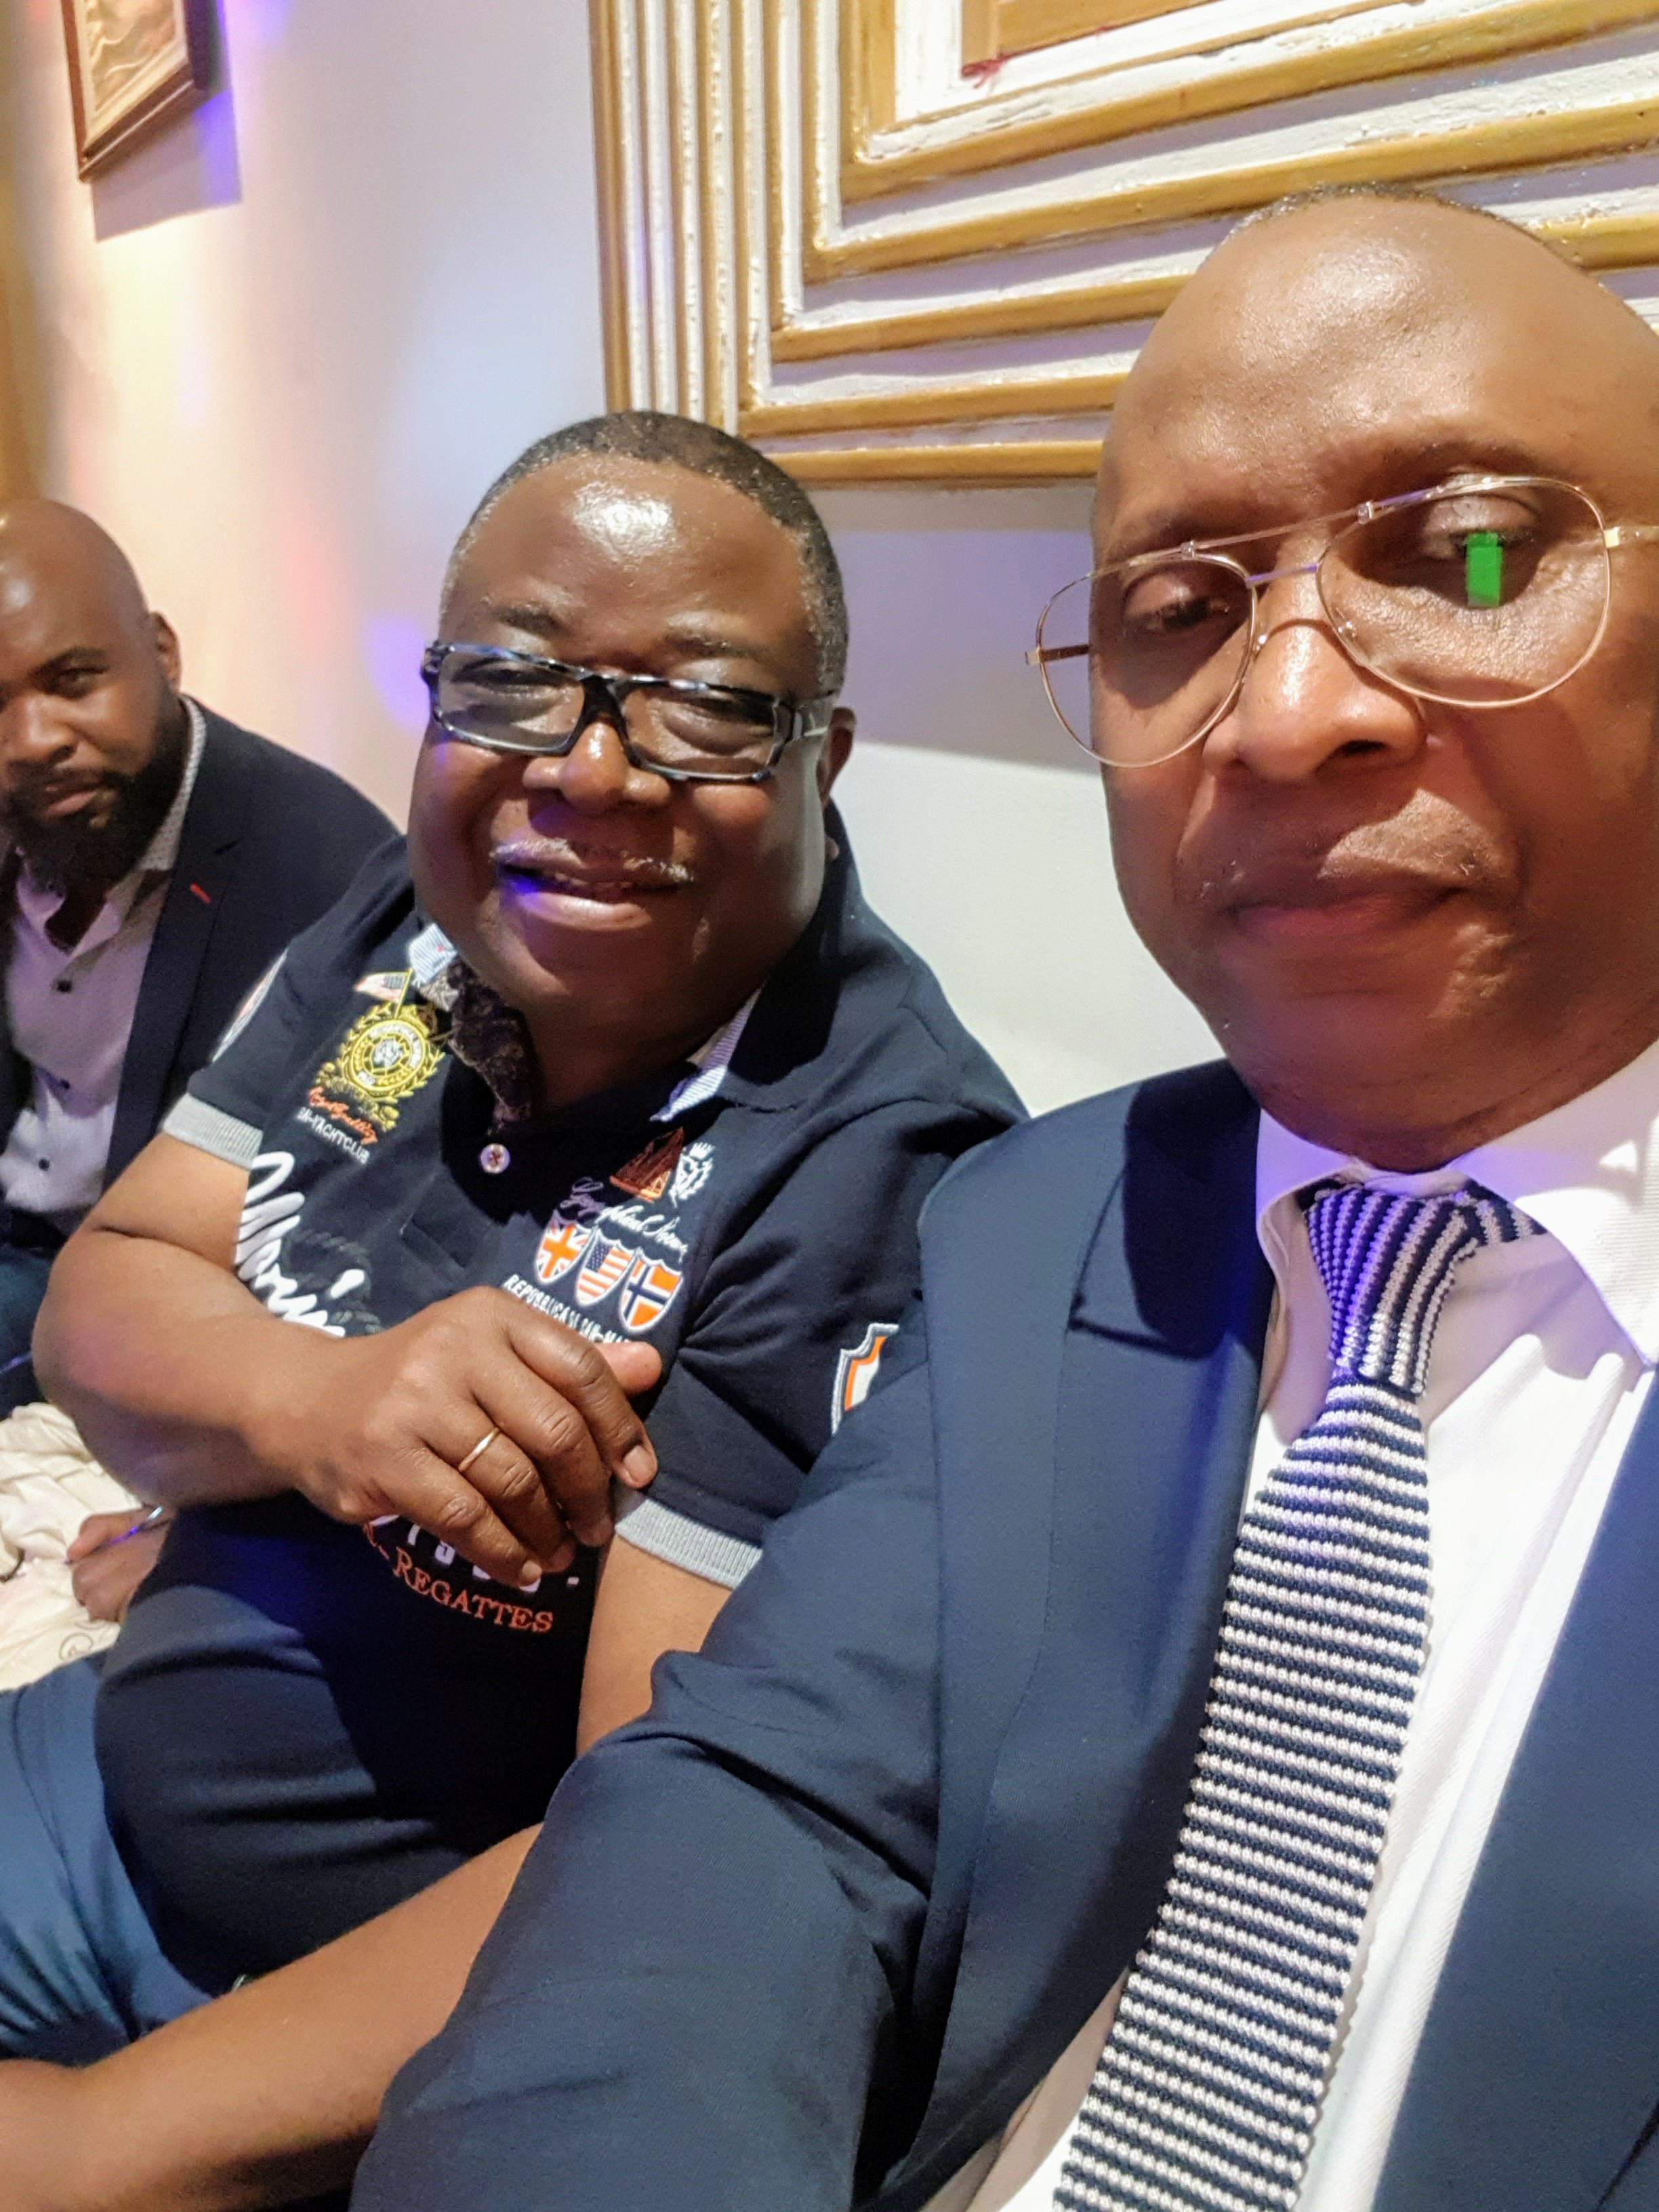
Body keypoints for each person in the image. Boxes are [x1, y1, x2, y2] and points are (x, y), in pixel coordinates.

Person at [315, 192, 1659, 2212]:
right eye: (1180, 610)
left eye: (1469, 555)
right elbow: (754, 1803)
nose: (1289, 710)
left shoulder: (880, 1130)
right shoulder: (1046, 1220)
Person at [0, 411, 1021, 2091]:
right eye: (511, 680)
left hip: (316, 2016)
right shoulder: (416, 920)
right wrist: (313, 1406)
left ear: (821, 756)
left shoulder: (871, 1162)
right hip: (94, 1763)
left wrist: (99, 2154)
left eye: (706, 703)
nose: (593, 773)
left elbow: (648, 1861)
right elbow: (105, 1298)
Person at [0, 501, 392, 1421]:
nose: (33, 740)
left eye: (73, 681)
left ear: (163, 654)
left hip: (157, 1291)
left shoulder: (326, 869)